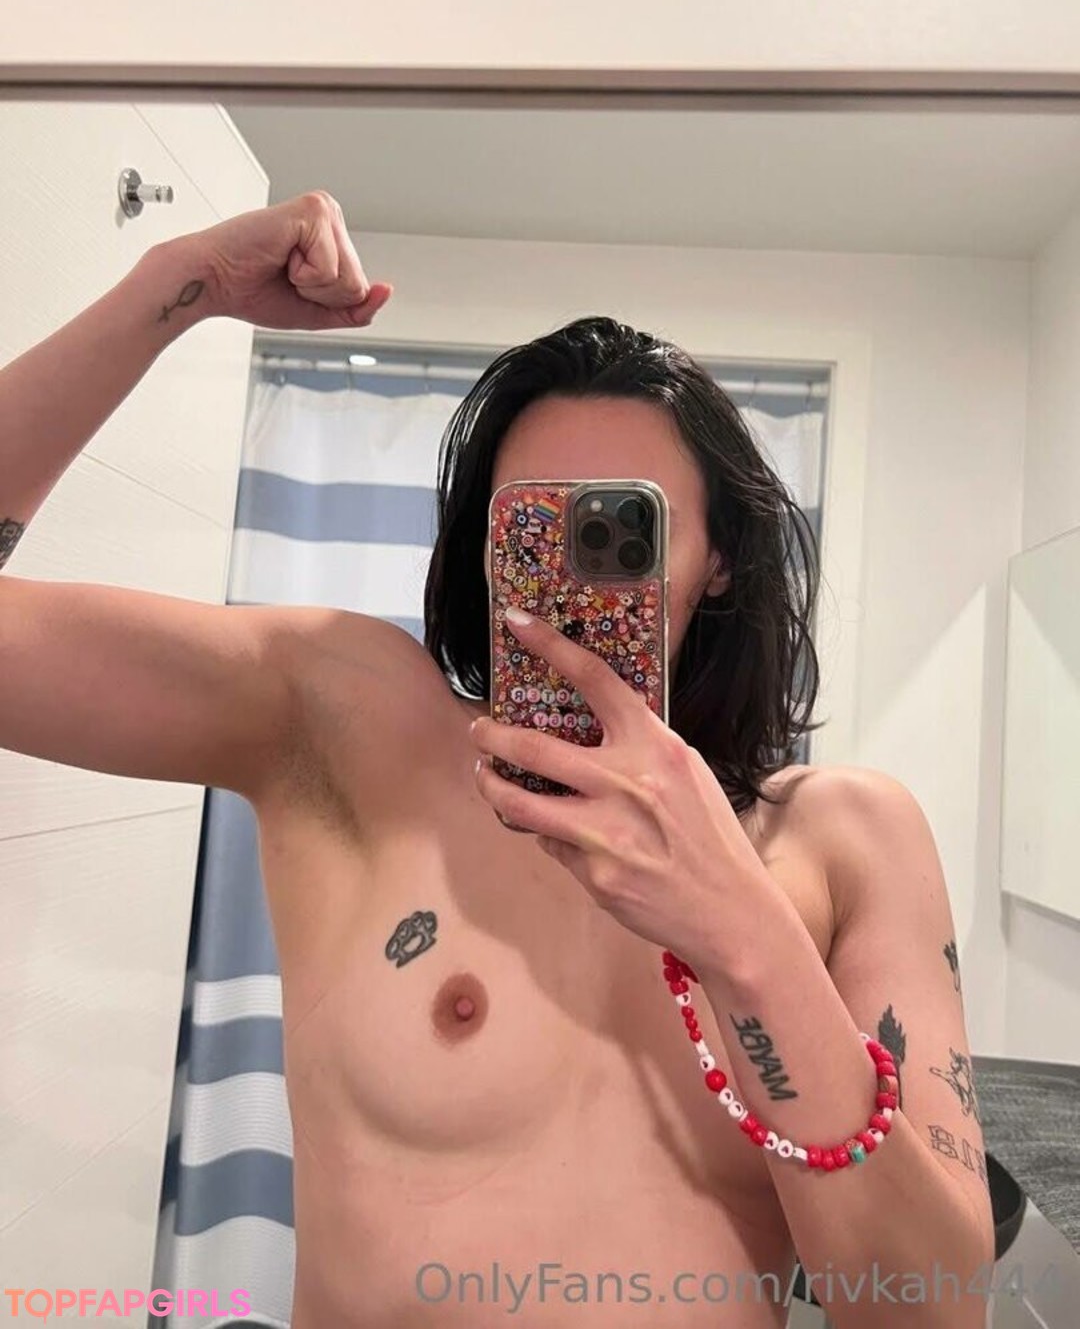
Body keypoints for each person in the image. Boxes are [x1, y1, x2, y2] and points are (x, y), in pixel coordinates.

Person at [0, 191, 995, 1327]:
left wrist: (743, 935)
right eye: (533, 523)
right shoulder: (344, 721)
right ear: (483, 547)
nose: (574, 575)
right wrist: (175, 287)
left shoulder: (846, 837)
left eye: (622, 527)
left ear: (718, 557)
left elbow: (934, 1310)